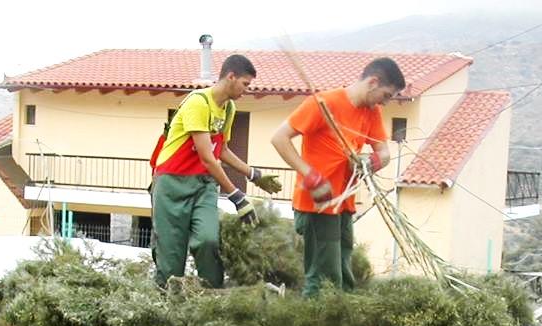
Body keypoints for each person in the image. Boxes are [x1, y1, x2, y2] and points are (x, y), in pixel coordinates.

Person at [271, 57, 405, 297]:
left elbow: (384, 153)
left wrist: (371, 162)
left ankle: (341, 319)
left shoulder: (371, 112)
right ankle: (315, 325)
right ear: (373, 82)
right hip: (318, 203)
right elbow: (279, 138)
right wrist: (309, 174)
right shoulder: (323, 103)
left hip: (343, 203)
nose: (385, 102)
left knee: (343, 272)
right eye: (386, 95)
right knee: (324, 278)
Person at [151, 53, 282, 288]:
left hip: (202, 185)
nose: (246, 90)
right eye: (245, 84)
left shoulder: (228, 108)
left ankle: (212, 297)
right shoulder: (198, 103)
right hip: (171, 184)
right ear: (230, 77)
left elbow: (221, 150)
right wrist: (237, 196)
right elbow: (207, 157)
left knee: (207, 241)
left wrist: (254, 174)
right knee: (171, 260)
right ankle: (168, 306)